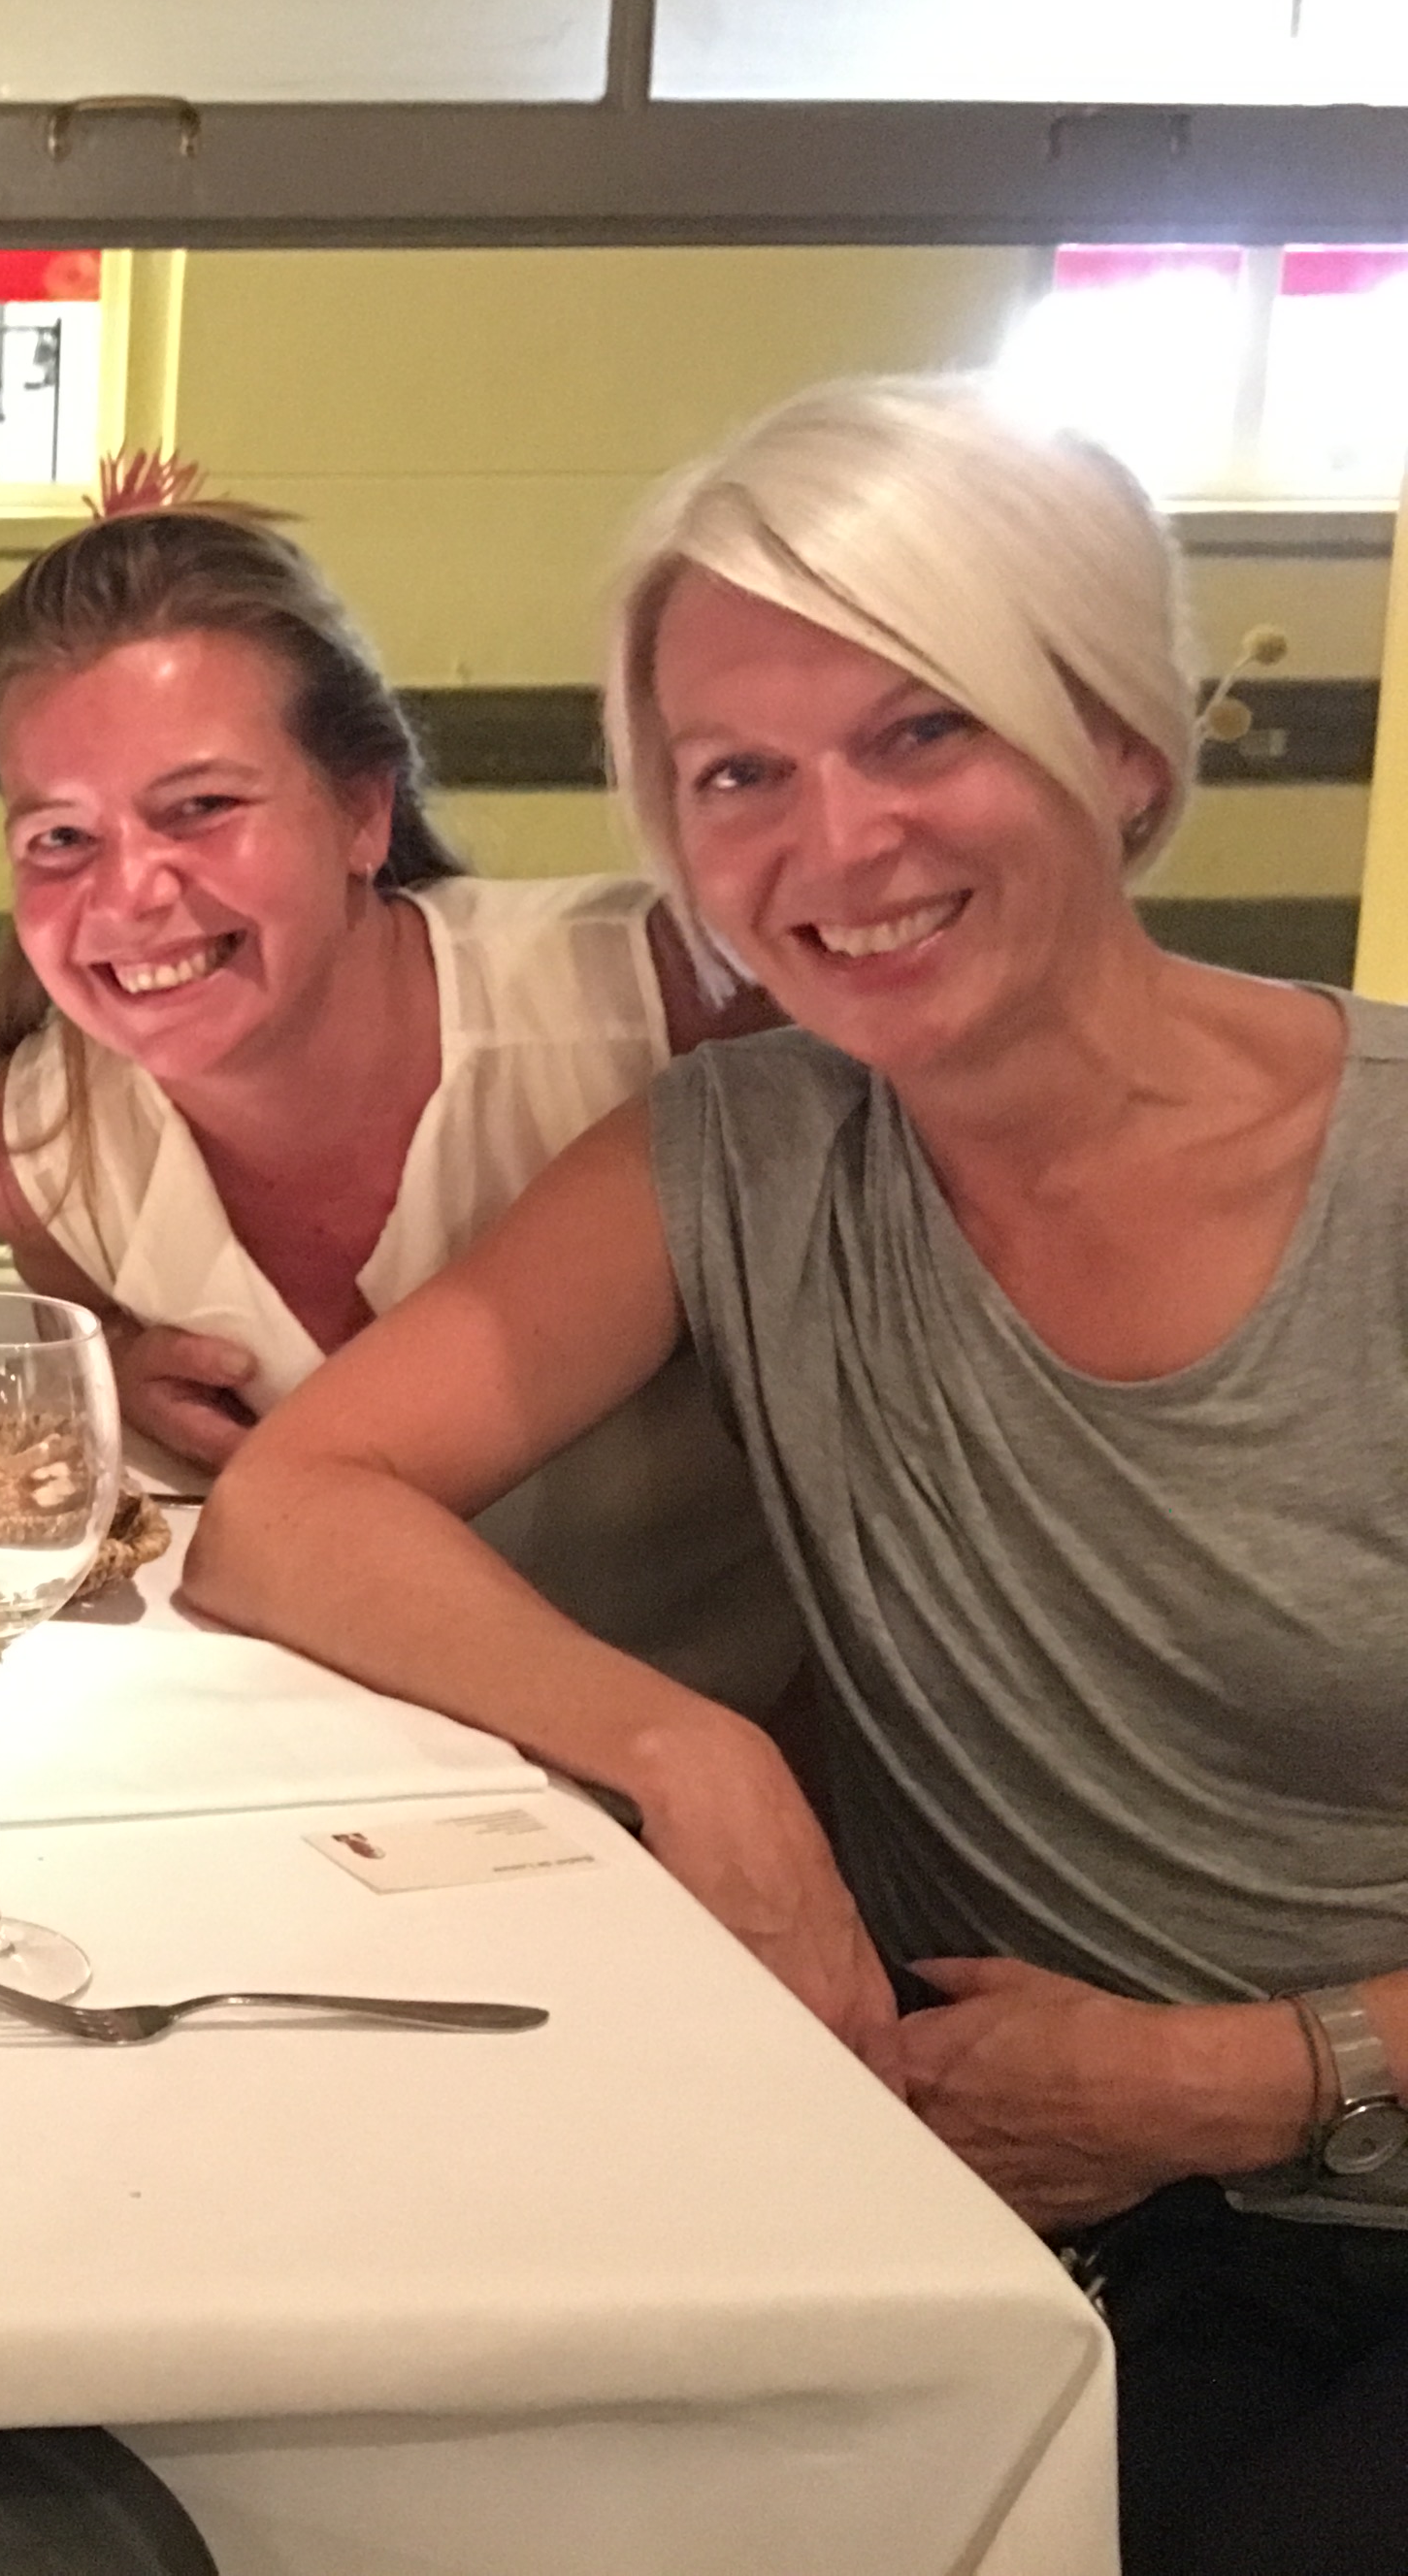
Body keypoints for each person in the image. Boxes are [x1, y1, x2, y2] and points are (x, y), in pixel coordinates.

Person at [188, 375, 1408, 2576]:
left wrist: (1245, 2073)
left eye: (921, 730)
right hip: (999, 2218)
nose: (832, 846)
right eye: (738, 773)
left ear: (1123, 749)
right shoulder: (742, 1156)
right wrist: (694, 1750)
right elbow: (292, 1504)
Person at [0, 504, 795, 1712]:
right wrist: (118, 1377)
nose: (129, 893)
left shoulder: (673, 1007)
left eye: (202, 807)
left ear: (363, 812)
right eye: (62, 836)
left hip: (733, 1777)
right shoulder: (39, 1155)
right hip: (342, 1780)